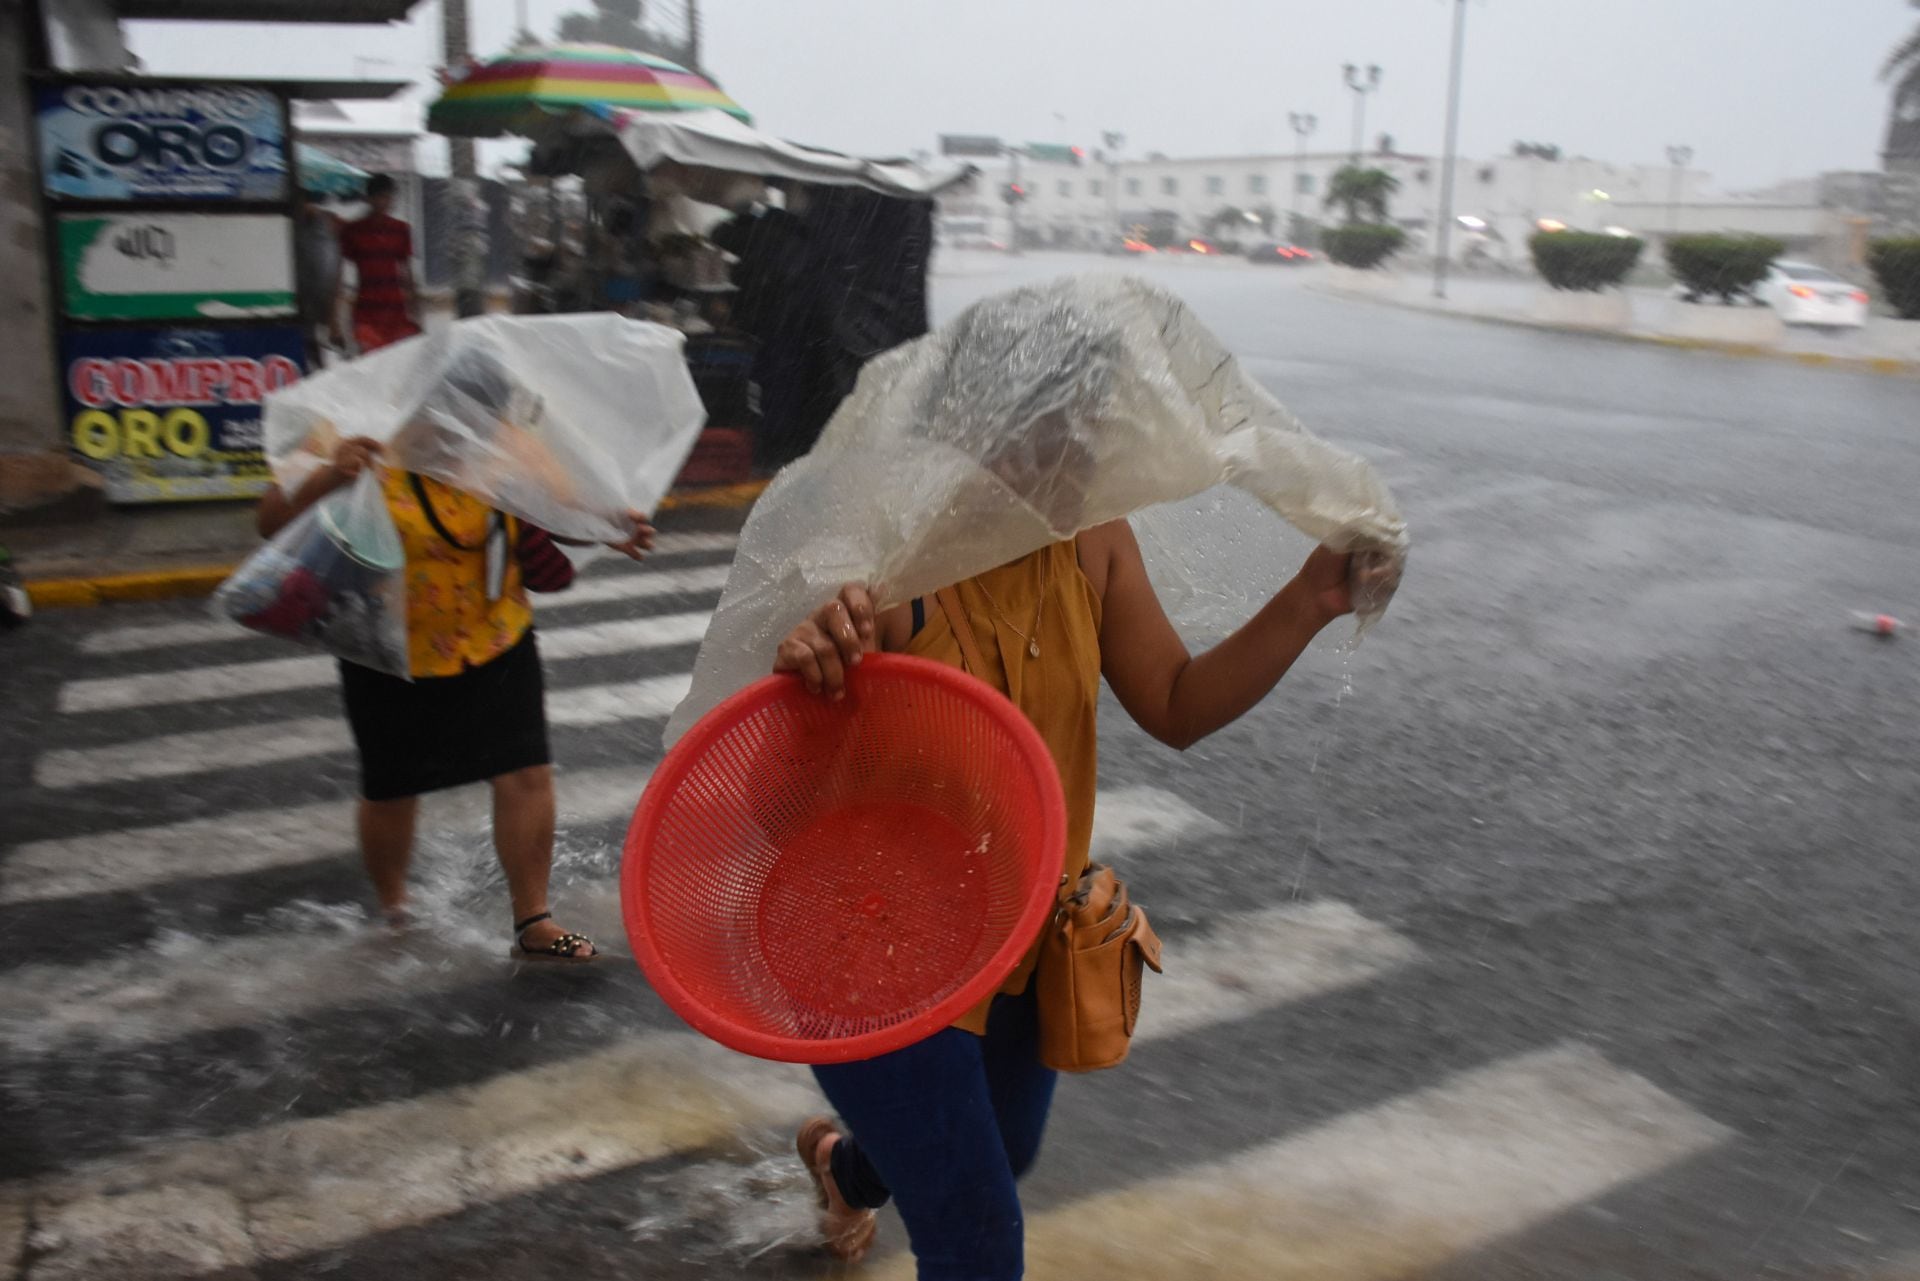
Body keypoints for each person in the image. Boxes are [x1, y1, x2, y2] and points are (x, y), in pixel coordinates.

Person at [773, 514, 1394, 1275]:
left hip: (1015, 937)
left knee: (1003, 1150)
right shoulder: (893, 561)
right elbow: (788, 769)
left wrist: (1311, 596)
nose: (1082, 439)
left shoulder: (1095, 543)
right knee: (978, 1239)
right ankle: (872, 1164)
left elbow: (1175, 701)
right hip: (873, 956)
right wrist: (811, 656)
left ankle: (847, 1170)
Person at [256, 429, 654, 961]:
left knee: (525, 773)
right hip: (389, 648)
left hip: (496, 636)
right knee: (392, 788)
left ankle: (534, 920)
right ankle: (396, 907)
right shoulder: (347, 433)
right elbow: (271, 523)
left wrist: (608, 527)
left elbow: (550, 511)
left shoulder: (506, 441)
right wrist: (331, 475)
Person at [335, 174, 421, 355]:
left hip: (397, 313)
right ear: (369, 199)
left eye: (388, 197)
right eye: (379, 197)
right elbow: (340, 275)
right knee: (370, 367)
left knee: (397, 367)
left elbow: (407, 273)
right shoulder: (353, 231)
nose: (384, 202)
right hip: (365, 312)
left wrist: (416, 314)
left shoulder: (400, 230)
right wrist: (336, 320)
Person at [293, 189, 342, 368]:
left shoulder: (323, 227)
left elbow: (330, 272)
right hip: (303, 305)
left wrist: (332, 318)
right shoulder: (296, 228)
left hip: (318, 303)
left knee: (320, 354)